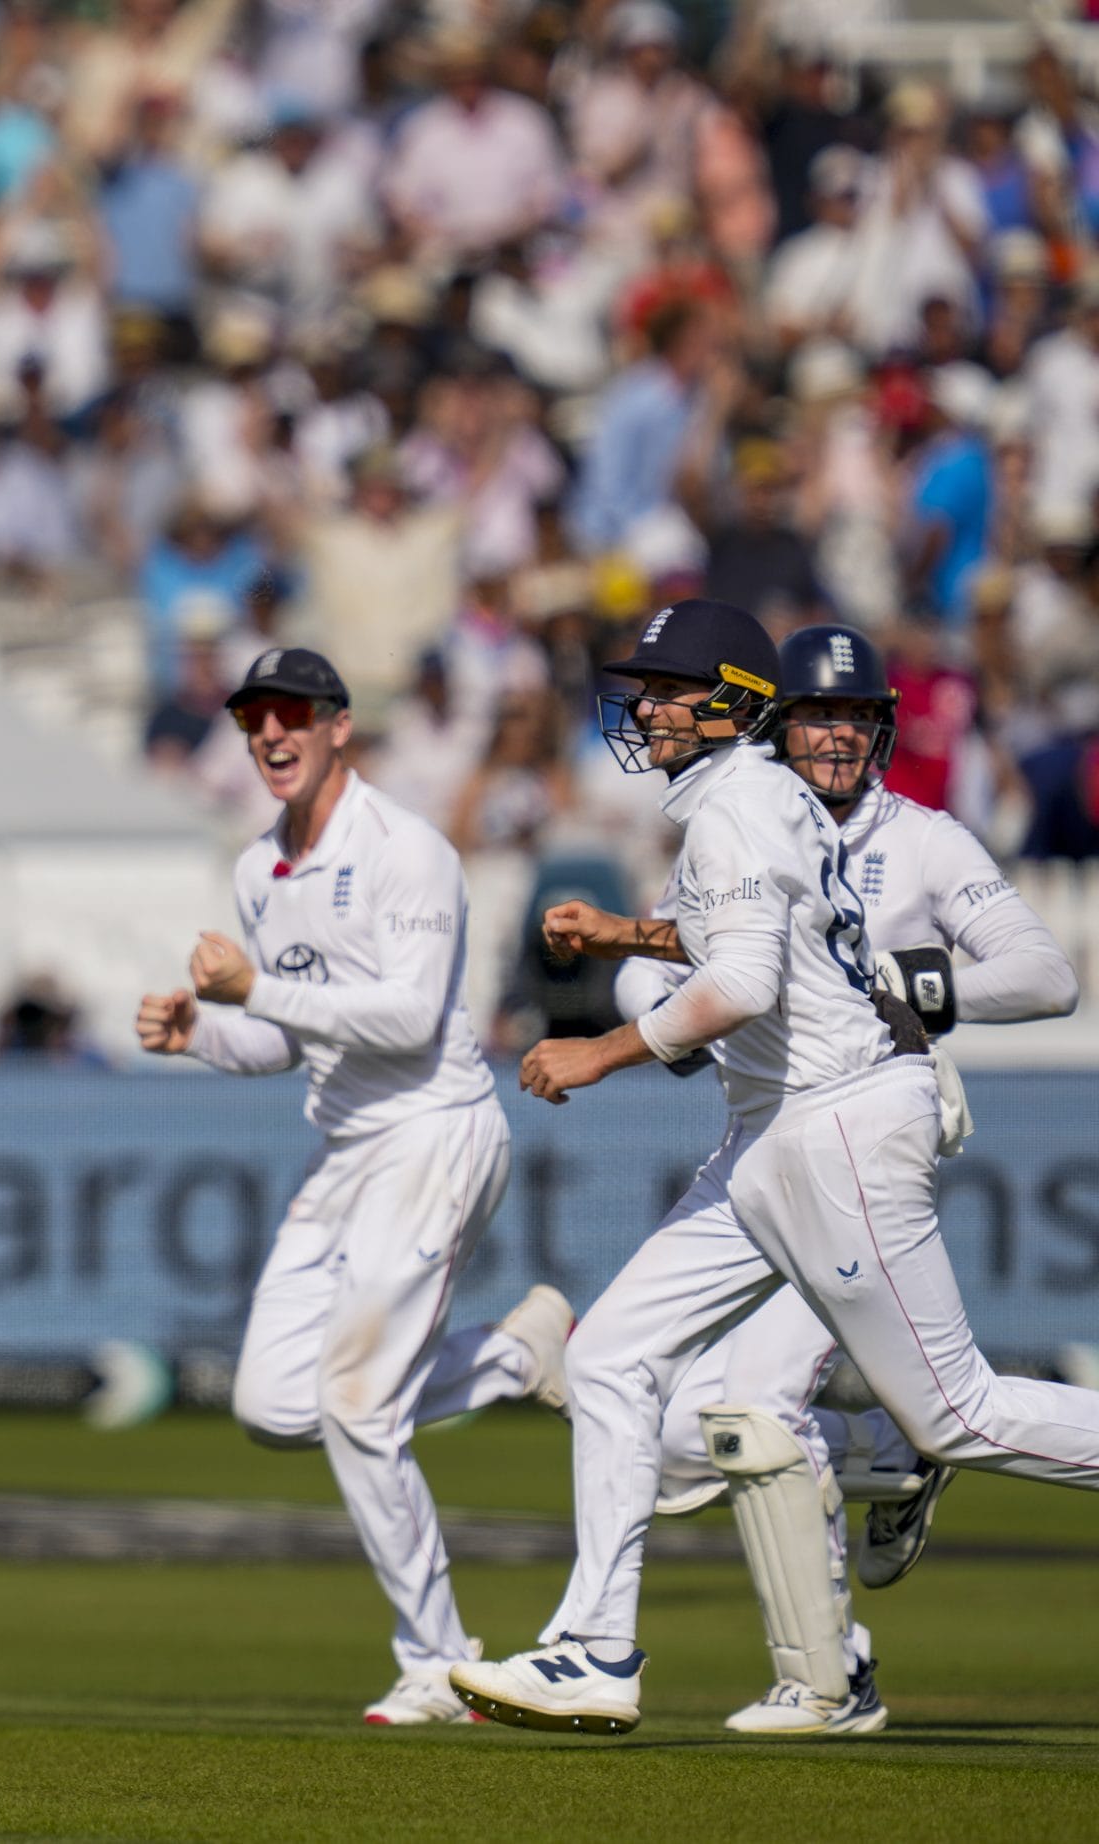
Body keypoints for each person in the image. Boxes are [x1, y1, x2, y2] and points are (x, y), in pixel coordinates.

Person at [452, 599, 1099, 1737]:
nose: (642, 706)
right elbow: (753, 944)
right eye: (641, 686)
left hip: (834, 1122)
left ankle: (817, 1627)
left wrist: (599, 1052)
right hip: (774, 1132)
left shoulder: (743, 807)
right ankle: (593, 1649)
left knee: (955, 1415)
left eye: (664, 688)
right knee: (607, 1353)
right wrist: (629, 934)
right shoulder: (759, 801)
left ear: (730, 701)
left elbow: (744, 982)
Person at [616, 624, 1078, 1735]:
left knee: (777, 1407)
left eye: (859, 718)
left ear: (881, 730)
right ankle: (884, 1466)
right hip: (767, 1154)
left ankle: (826, 1675)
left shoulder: (920, 842)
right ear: (777, 723)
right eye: (818, 716)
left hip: (857, 1145)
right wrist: (632, 971)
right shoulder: (743, 816)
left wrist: (918, 987)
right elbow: (690, 955)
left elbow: (1043, 971)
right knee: (689, 1431)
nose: (837, 737)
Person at [133, 646, 572, 1726]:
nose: (270, 734)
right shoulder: (256, 869)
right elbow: (285, 1042)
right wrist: (205, 1032)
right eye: (253, 719)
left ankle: (437, 1661)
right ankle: (514, 1353)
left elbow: (410, 1018)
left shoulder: (406, 850)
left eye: (290, 713)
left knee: (358, 1405)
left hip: (432, 1131)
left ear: (339, 726)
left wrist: (258, 985)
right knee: (276, 1402)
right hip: (345, 1151)